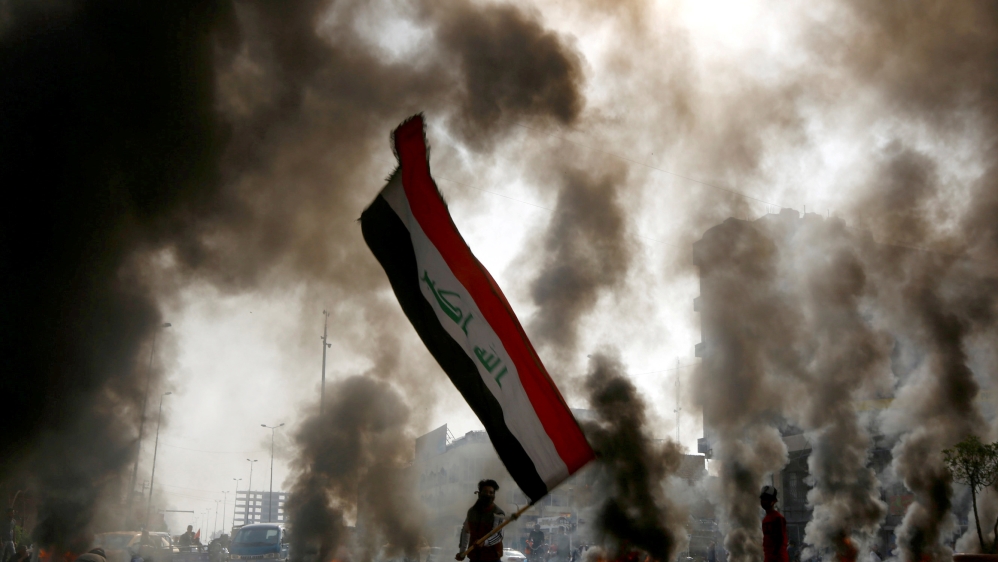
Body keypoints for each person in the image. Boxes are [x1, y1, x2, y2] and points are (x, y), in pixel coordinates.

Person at [456, 479, 505, 562]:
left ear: (494, 495)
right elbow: (465, 531)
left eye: (491, 493)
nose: (488, 495)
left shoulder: (498, 513)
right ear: (479, 493)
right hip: (475, 557)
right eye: (485, 492)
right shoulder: (472, 512)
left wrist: (484, 542)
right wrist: (462, 551)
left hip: (492, 557)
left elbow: (499, 535)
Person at [760, 486, 788, 562]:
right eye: (762, 498)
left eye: (766, 499)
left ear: (773, 501)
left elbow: (780, 540)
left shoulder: (778, 518)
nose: (763, 501)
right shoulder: (765, 519)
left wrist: (773, 555)